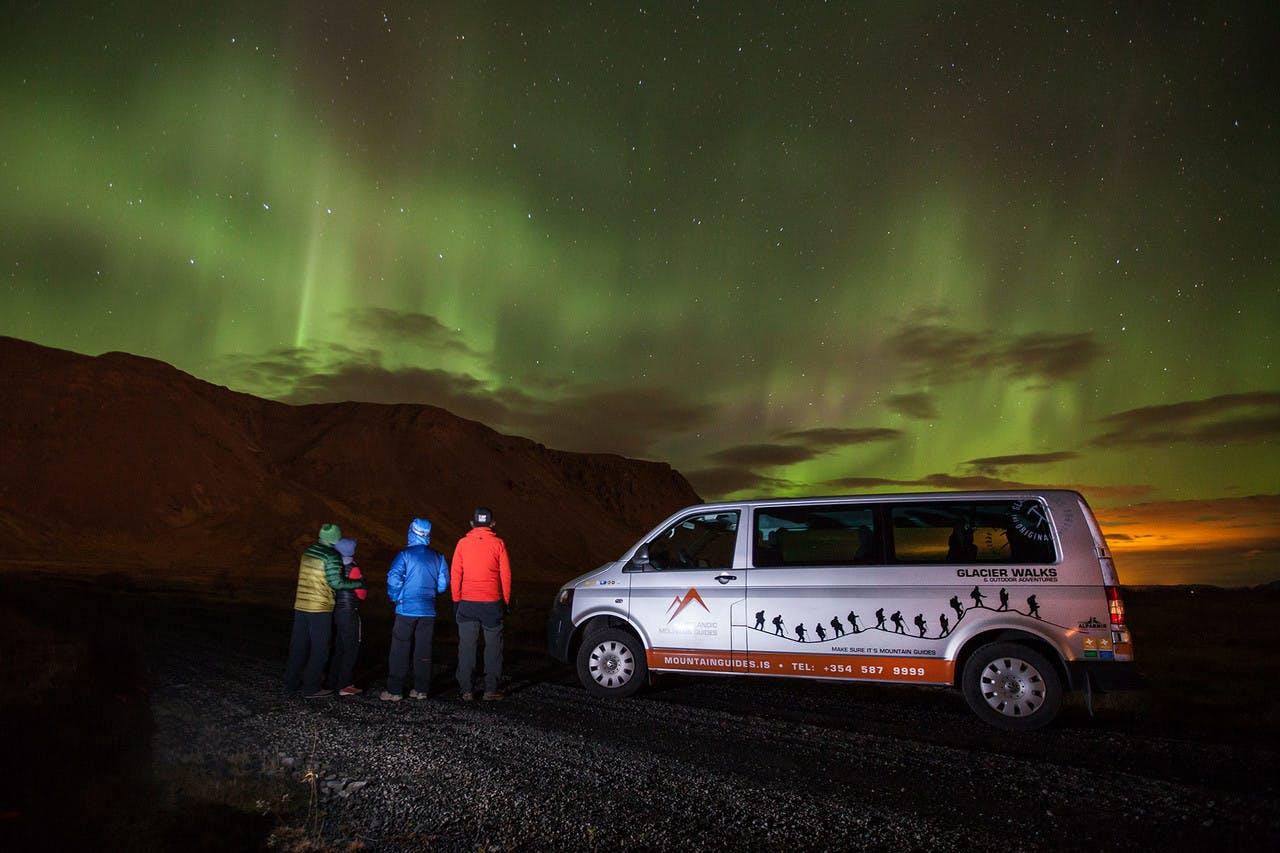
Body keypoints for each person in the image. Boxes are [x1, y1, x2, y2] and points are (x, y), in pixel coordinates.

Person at [285, 523, 364, 699]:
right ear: (334, 538)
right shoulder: (331, 556)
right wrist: (357, 583)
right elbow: (337, 583)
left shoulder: (308, 552)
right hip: (319, 608)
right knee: (320, 648)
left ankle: (290, 683)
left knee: (298, 645)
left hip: (301, 605)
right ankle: (311, 687)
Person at [381, 518, 449, 702]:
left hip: (406, 609)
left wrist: (395, 597)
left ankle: (395, 690)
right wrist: (431, 593)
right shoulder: (438, 556)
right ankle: (421, 689)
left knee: (400, 648)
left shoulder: (405, 555)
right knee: (423, 649)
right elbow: (443, 583)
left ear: (411, 531)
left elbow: (393, 578)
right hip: (428, 610)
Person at [452, 507, 512, 701]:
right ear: (492, 524)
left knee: (467, 647)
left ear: (472, 523)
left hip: (467, 602)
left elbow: (456, 574)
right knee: (493, 647)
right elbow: (506, 576)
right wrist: (506, 601)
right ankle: (490, 689)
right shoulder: (498, 544)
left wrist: (456, 600)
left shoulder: (462, 544)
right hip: (491, 603)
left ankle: (466, 690)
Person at [327, 538, 366, 696]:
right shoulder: (354, 569)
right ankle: (345, 684)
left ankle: (332, 681)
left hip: (336, 611)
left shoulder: (333, 568)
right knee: (351, 648)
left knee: (339, 647)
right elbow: (361, 594)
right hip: (349, 611)